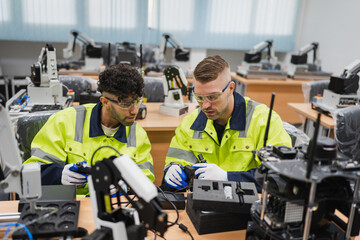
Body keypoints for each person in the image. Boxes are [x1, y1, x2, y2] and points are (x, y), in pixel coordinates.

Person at [163, 55, 292, 190]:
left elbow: (280, 176)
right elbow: (176, 161)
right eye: (199, 97)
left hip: (247, 206)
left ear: (231, 88)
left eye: (213, 97)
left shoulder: (264, 120)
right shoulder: (189, 124)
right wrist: (172, 169)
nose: (205, 105)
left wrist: (228, 178)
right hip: (205, 204)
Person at [24, 64, 154, 195]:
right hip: (73, 204)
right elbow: (33, 172)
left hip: (114, 207)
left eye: (138, 101)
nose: (135, 110)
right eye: (126, 104)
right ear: (105, 102)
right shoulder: (64, 121)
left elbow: (146, 179)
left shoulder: (138, 134)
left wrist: (127, 186)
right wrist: (58, 175)